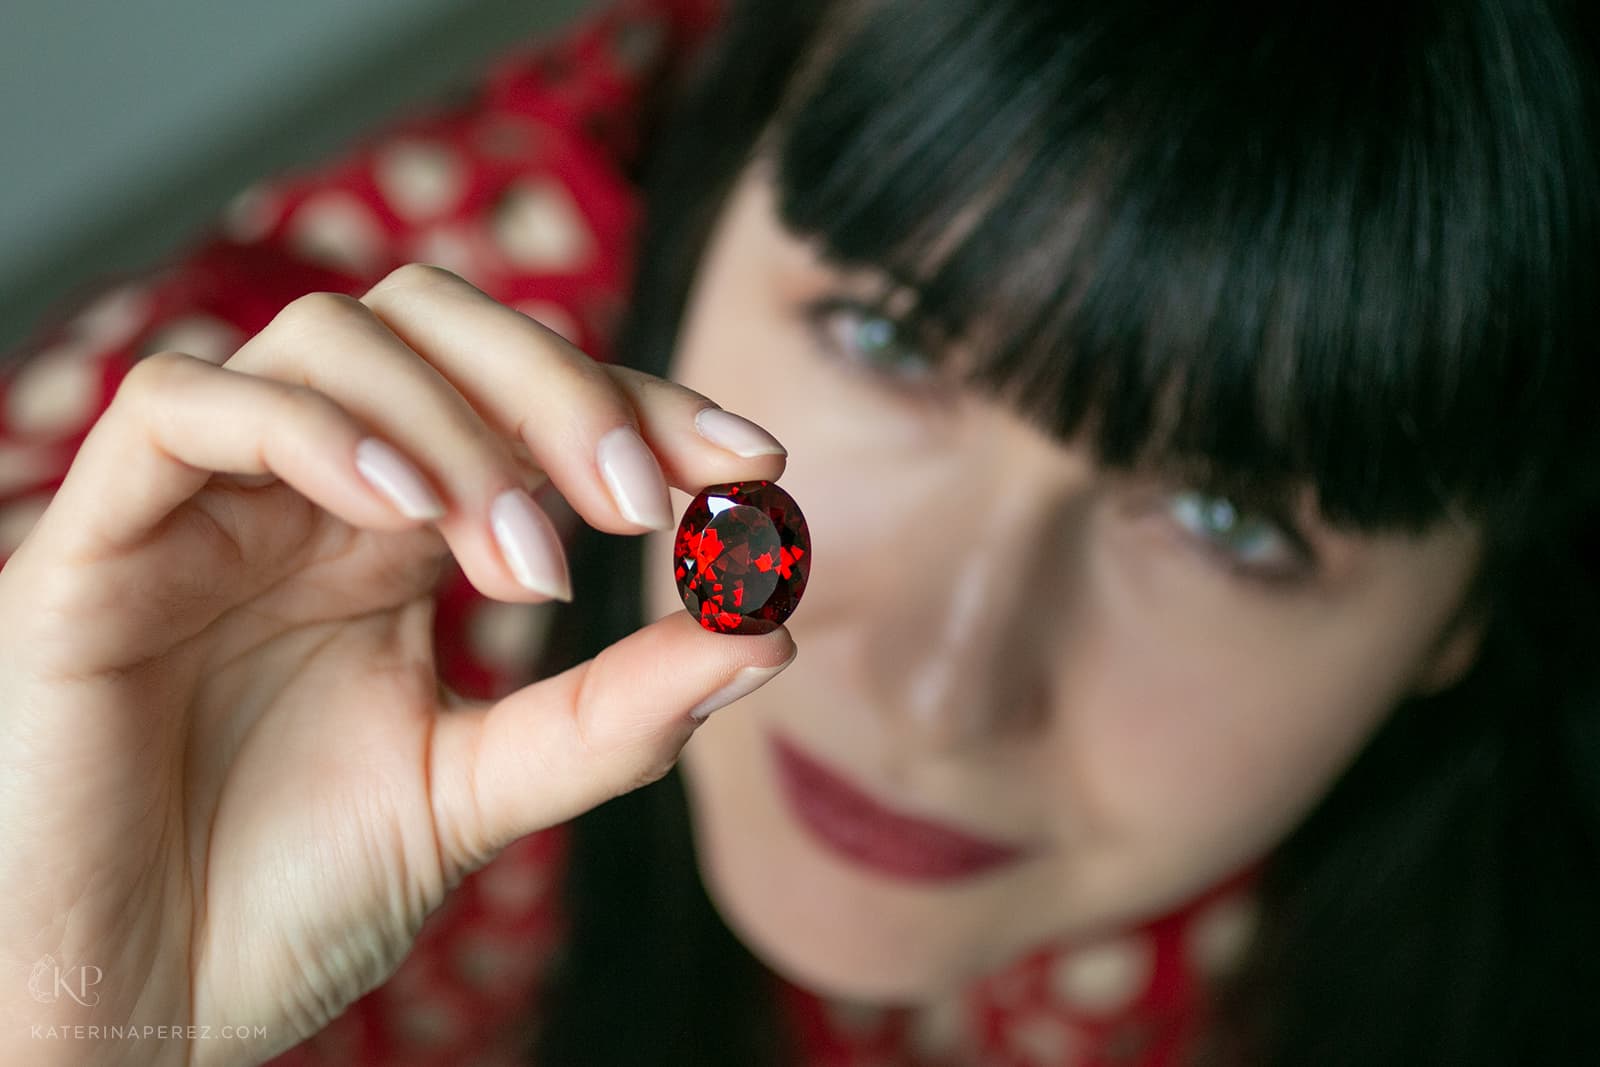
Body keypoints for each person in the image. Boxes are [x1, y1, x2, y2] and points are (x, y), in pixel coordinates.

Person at [2, 0, 1596, 1064]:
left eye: (1229, 518)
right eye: (890, 342)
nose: (937, 687)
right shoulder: (192, 549)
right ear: (695, 209)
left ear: (1472, 601)